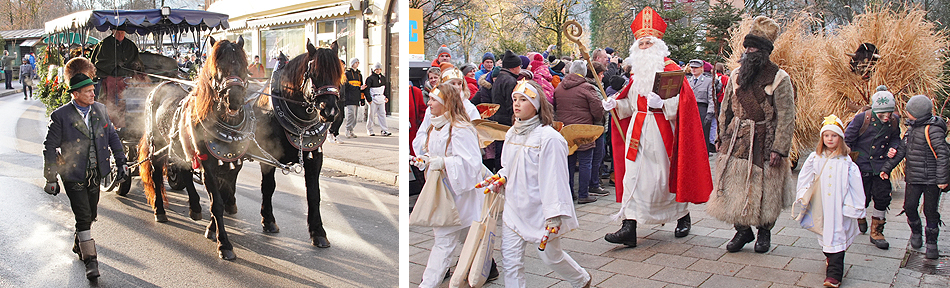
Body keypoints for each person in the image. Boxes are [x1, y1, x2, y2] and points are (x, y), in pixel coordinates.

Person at [600, 7, 713, 247]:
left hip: (662, 133)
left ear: (658, 44)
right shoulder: (637, 73)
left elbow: (685, 105)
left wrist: (664, 104)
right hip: (637, 132)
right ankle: (628, 227)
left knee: (662, 178)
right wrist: (614, 104)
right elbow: (629, 105)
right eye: (640, 44)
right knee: (633, 176)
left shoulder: (671, 70)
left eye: (648, 43)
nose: (644, 48)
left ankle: (682, 215)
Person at [480, 80, 591, 288]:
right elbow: (508, 167)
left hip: (540, 210)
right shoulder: (512, 132)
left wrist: (554, 215)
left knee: (552, 257)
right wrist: (501, 178)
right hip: (514, 207)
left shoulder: (549, 138)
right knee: (511, 261)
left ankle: (581, 279)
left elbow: (555, 178)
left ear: (537, 104)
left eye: (524, 99)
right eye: (515, 99)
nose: (517, 104)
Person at [705, 16, 797, 254]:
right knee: (733, 185)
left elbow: (786, 116)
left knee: (767, 188)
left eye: (752, 47)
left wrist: (779, 148)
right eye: (746, 47)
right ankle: (742, 230)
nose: (747, 51)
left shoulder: (780, 78)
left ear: (763, 51)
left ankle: (764, 233)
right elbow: (725, 107)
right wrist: (721, 135)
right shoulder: (736, 75)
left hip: (766, 139)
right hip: (736, 139)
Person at [411, 84, 498, 287]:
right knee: (461, 238)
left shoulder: (461, 129)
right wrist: (424, 160)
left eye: (433, 100)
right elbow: (434, 154)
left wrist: (442, 163)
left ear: (446, 103)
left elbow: (472, 164)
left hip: (461, 195)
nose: (428, 103)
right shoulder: (436, 125)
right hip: (445, 192)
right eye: (430, 99)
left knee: (445, 241)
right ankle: (483, 270)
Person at [43, 72, 127, 280]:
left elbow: (112, 136)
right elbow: (50, 147)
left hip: (95, 172)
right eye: (88, 91)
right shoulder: (61, 115)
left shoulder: (100, 110)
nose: (93, 93)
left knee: (90, 214)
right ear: (76, 93)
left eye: (93, 90)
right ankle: (91, 260)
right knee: (82, 214)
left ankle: (78, 242)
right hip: (73, 173)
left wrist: (121, 161)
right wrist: (51, 177)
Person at [796, 115, 866, 288]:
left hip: (839, 206)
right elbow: (805, 176)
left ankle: (834, 275)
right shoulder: (815, 157)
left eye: (833, 136)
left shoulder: (847, 162)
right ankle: (829, 256)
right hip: (822, 206)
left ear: (840, 138)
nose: (829, 139)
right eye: (826, 136)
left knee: (837, 235)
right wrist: (803, 193)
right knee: (826, 235)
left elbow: (855, 185)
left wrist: (854, 206)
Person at [880, 95, 949, 260]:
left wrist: (942, 179)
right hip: (913, 178)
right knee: (909, 207)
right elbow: (901, 152)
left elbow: (943, 155)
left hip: (932, 181)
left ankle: (932, 243)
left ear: (916, 113)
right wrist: (887, 168)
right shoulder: (911, 129)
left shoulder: (933, 130)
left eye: (909, 111)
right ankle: (916, 232)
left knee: (930, 211)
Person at [842, 86, 901, 249]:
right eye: (883, 114)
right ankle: (860, 216)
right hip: (862, 166)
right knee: (864, 199)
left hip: (881, 166)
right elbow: (848, 139)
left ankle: (877, 232)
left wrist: (893, 148)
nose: (887, 117)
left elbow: (896, 138)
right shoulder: (862, 119)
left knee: (883, 197)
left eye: (890, 113)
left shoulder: (894, 121)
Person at [553, 60, 604, 204]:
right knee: (585, 162)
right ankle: (583, 194)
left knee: (568, 162)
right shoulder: (587, 88)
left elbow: (555, 107)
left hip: (566, 130)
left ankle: (568, 193)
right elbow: (597, 110)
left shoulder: (559, 88)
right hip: (583, 130)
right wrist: (596, 121)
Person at [90, 24, 143, 129]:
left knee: (136, 87)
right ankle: (108, 117)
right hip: (109, 76)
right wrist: (114, 66)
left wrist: (135, 67)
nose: (120, 35)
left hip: (127, 78)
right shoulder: (104, 45)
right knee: (110, 86)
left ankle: (131, 118)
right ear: (113, 32)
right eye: (118, 33)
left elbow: (137, 61)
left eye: (122, 33)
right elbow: (98, 63)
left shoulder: (130, 45)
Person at [490, 50, 522, 167]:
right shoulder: (510, 81)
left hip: (499, 118)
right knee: (506, 150)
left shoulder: (500, 78)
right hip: (507, 121)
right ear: (514, 67)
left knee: (501, 149)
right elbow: (511, 104)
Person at [686, 59, 717, 151]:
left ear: (701, 68)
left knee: (703, 136)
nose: (694, 70)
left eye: (696, 67)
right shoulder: (687, 81)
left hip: (702, 110)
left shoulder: (708, 81)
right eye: (692, 67)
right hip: (689, 110)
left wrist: (710, 113)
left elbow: (712, 99)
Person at [364, 63, 391, 136]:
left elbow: (386, 88)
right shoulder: (369, 79)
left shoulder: (383, 78)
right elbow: (366, 90)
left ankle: (384, 130)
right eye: (376, 69)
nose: (378, 71)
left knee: (382, 114)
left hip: (381, 98)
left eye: (379, 69)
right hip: (373, 98)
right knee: (371, 115)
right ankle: (369, 129)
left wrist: (386, 96)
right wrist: (369, 99)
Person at [343, 58, 365, 139]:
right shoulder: (347, 73)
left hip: (356, 97)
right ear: (352, 64)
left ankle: (351, 130)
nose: (357, 64)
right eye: (356, 62)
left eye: (358, 62)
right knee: (351, 114)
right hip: (349, 97)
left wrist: (362, 99)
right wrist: (358, 88)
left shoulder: (359, 75)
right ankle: (347, 129)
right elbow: (347, 86)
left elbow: (362, 87)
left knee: (355, 116)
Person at [326, 59, 347, 144]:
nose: (343, 66)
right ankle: (330, 132)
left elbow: (347, 86)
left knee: (341, 118)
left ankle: (336, 134)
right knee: (335, 118)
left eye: (344, 65)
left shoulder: (343, 76)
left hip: (342, 99)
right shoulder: (334, 76)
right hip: (335, 100)